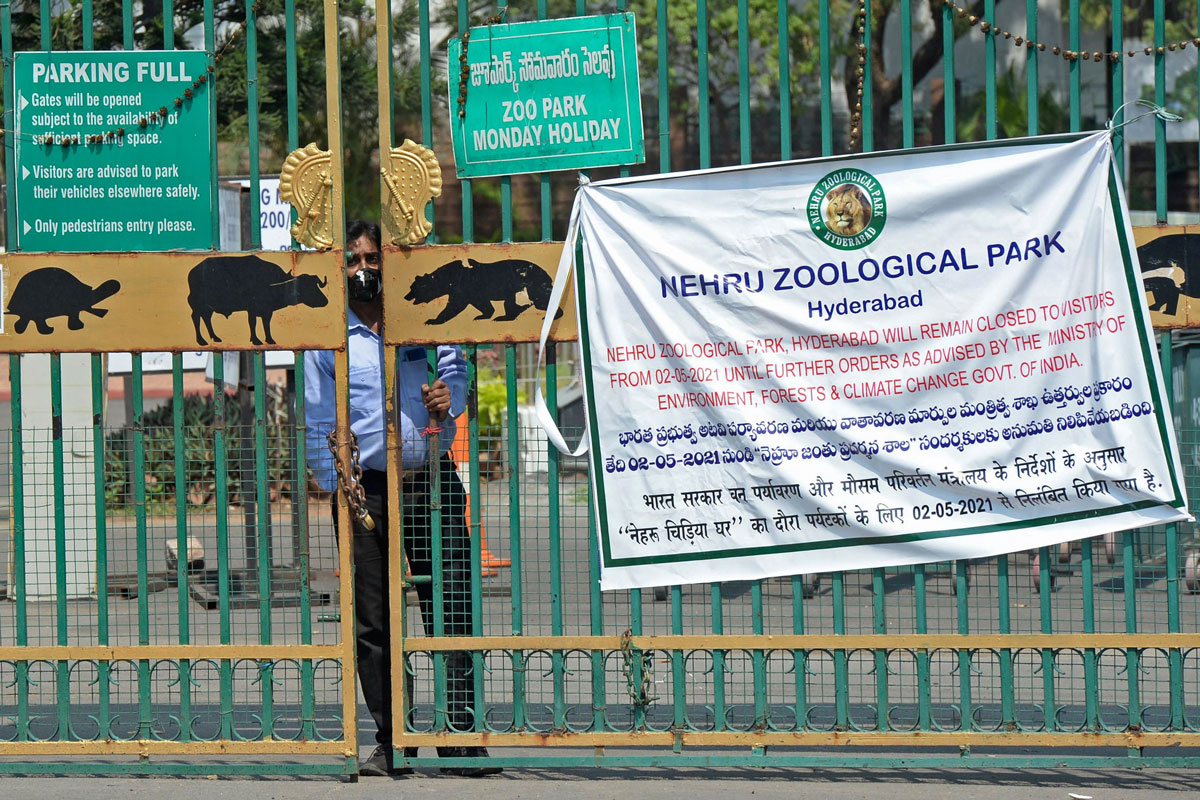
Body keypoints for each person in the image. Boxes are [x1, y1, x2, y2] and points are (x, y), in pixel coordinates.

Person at [305, 220, 500, 778]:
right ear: (339, 270)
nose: (364, 270)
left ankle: (460, 736)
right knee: (373, 618)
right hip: (364, 489)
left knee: (451, 603)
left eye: (372, 259)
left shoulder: (424, 316)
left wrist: (449, 399)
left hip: (430, 483)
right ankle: (395, 739)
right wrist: (340, 485)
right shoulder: (331, 336)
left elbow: (455, 375)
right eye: (353, 261)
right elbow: (321, 415)